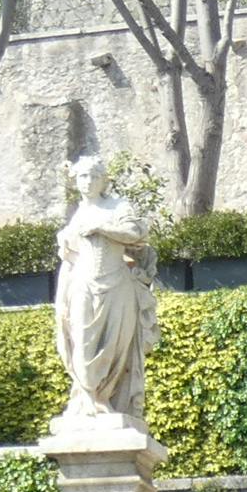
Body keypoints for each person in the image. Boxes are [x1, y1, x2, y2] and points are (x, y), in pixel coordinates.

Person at [52, 154, 155, 429]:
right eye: (82, 176)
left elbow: (136, 233)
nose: (87, 181)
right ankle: (87, 401)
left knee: (115, 347)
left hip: (117, 285)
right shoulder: (77, 213)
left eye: (93, 176)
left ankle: (104, 400)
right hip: (83, 283)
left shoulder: (117, 206)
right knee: (82, 342)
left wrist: (101, 228)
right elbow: (70, 256)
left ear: (103, 180)